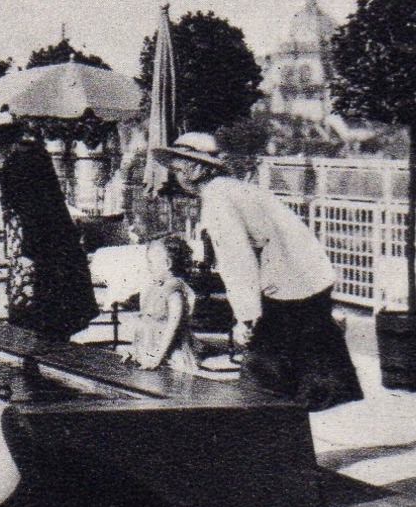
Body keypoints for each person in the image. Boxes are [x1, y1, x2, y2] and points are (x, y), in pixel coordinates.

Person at [151, 130, 362, 412]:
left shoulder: (218, 198)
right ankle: (286, 445)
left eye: (178, 168)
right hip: (308, 279)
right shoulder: (236, 188)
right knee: (300, 377)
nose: (174, 176)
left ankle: (268, 446)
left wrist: (246, 318)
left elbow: (238, 261)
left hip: (287, 288)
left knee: (263, 381)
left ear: (198, 169)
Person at [0, 117, 98, 340]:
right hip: (40, 241)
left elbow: (33, 211)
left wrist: (28, 250)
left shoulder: (22, 164)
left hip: (37, 243)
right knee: (48, 301)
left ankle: (44, 348)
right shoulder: (30, 158)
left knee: (39, 301)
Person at [132, 236, 199, 374]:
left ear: (168, 263)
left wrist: (158, 356)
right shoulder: (155, 287)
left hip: (168, 352)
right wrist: (134, 349)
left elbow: (172, 327)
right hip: (151, 348)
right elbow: (146, 322)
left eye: (151, 263)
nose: (149, 267)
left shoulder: (174, 291)